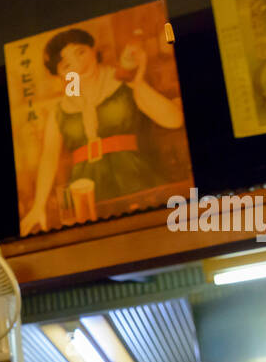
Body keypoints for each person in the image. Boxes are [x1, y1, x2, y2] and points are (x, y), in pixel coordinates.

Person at [19, 27, 185, 236]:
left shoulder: (122, 82)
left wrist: (137, 81)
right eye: (67, 65)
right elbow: (49, 157)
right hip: (86, 195)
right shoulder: (60, 111)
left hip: (136, 180)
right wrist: (38, 206)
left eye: (81, 52)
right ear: (59, 75)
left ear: (92, 50)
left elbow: (174, 120)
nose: (79, 66)